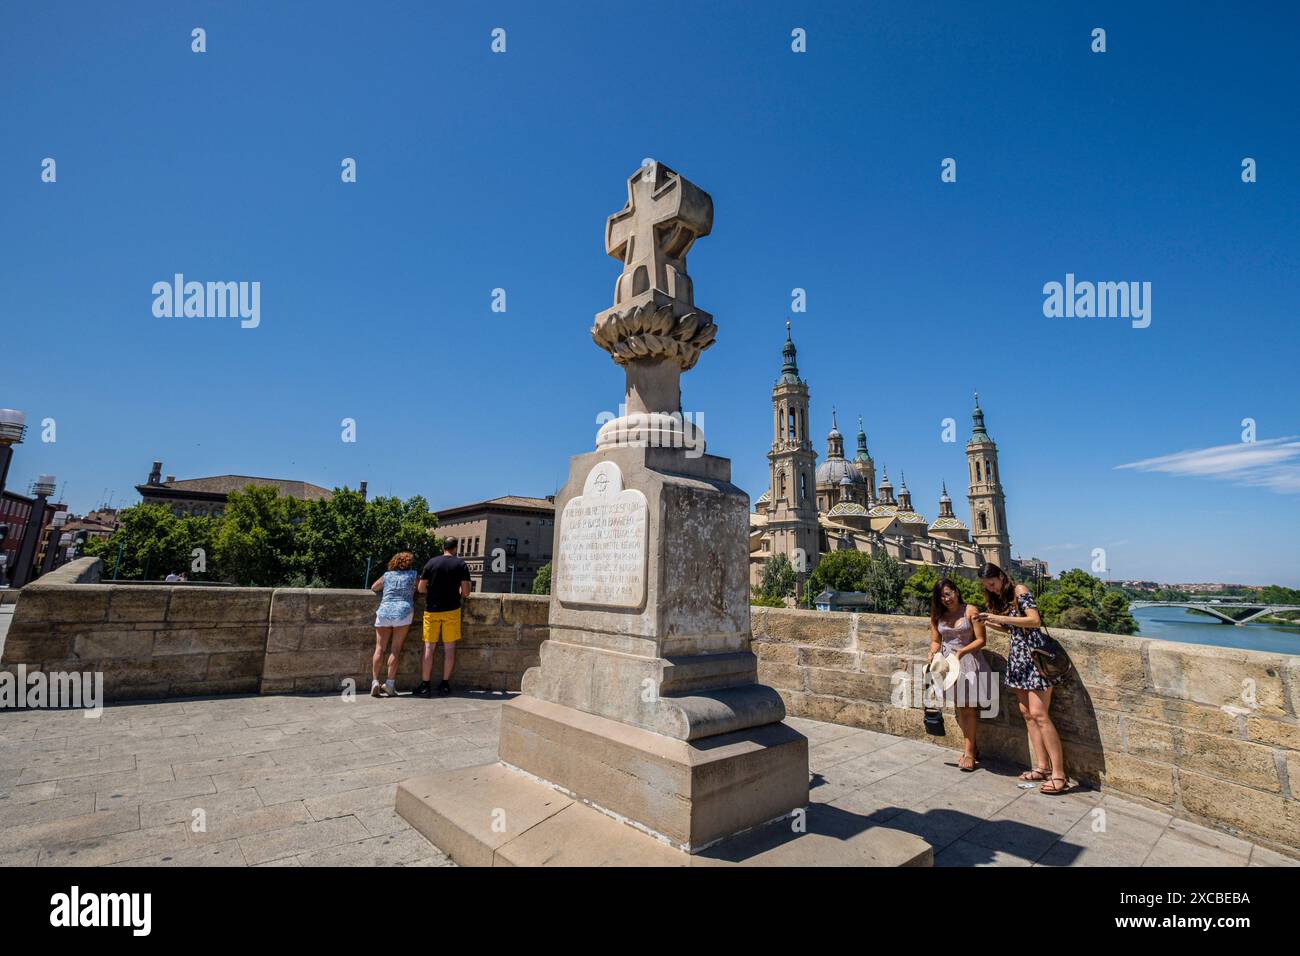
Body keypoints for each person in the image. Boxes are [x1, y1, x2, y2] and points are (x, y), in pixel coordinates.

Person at [975, 562, 1070, 794]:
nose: (992, 589)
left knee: (1040, 714)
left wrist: (1000, 618)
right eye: (987, 587)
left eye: (993, 583)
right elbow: (1013, 630)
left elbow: (1033, 620)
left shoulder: (1020, 590)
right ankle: (1041, 767)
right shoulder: (1004, 597)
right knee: (1027, 714)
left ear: (1000, 576)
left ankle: (1059, 775)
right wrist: (988, 621)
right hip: (1018, 659)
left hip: (1034, 657)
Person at [928, 577, 990, 771]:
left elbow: (981, 640)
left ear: (956, 591)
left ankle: (969, 754)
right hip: (948, 666)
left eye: (948, 593)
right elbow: (936, 641)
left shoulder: (971, 610)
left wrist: (962, 652)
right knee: (960, 707)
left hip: (968, 662)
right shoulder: (937, 616)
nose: (946, 599)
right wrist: (932, 652)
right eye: (942, 596)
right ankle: (972, 748)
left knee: (967, 708)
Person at [414, 536, 471, 697]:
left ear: (443, 547)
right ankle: (445, 684)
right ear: (455, 548)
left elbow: (421, 588)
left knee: (428, 648)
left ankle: (425, 685)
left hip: (432, 610)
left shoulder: (431, 563)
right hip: (452, 610)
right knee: (449, 649)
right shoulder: (460, 564)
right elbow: (466, 592)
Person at [370, 551, 418, 697]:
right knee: (395, 650)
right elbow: (422, 589)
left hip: (385, 611)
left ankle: (375, 682)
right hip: (403, 612)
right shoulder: (414, 575)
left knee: (380, 648)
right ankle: (390, 684)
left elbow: (374, 587)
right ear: (409, 563)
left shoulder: (387, 575)